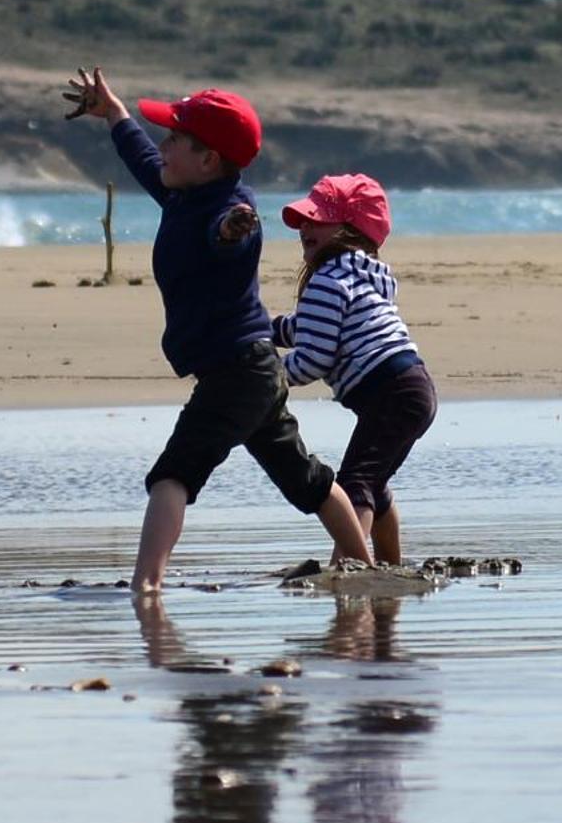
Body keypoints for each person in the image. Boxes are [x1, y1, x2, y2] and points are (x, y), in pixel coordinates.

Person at [63, 68, 370, 594]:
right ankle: (368, 572)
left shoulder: (232, 211)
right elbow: (143, 158)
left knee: (172, 474)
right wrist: (114, 114)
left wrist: (231, 233)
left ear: (208, 160)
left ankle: (146, 586)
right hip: (249, 370)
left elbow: (231, 237)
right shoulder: (183, 194)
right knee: (306, 479)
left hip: (237, 372)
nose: (163, 145)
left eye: (175, 138)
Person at [271, 173, 435, 566]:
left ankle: (349, 567)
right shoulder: (361, 277)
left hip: (389, 391)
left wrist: (265, 374)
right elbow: (310, 327)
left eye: (317, 220)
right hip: (412, 388)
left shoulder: (327, 281)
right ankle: (391, 565)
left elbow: (313, 359)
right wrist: (262, 329)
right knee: (374, 485)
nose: (305, 228)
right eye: (304, 221)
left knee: (355, 483)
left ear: (350, 231)